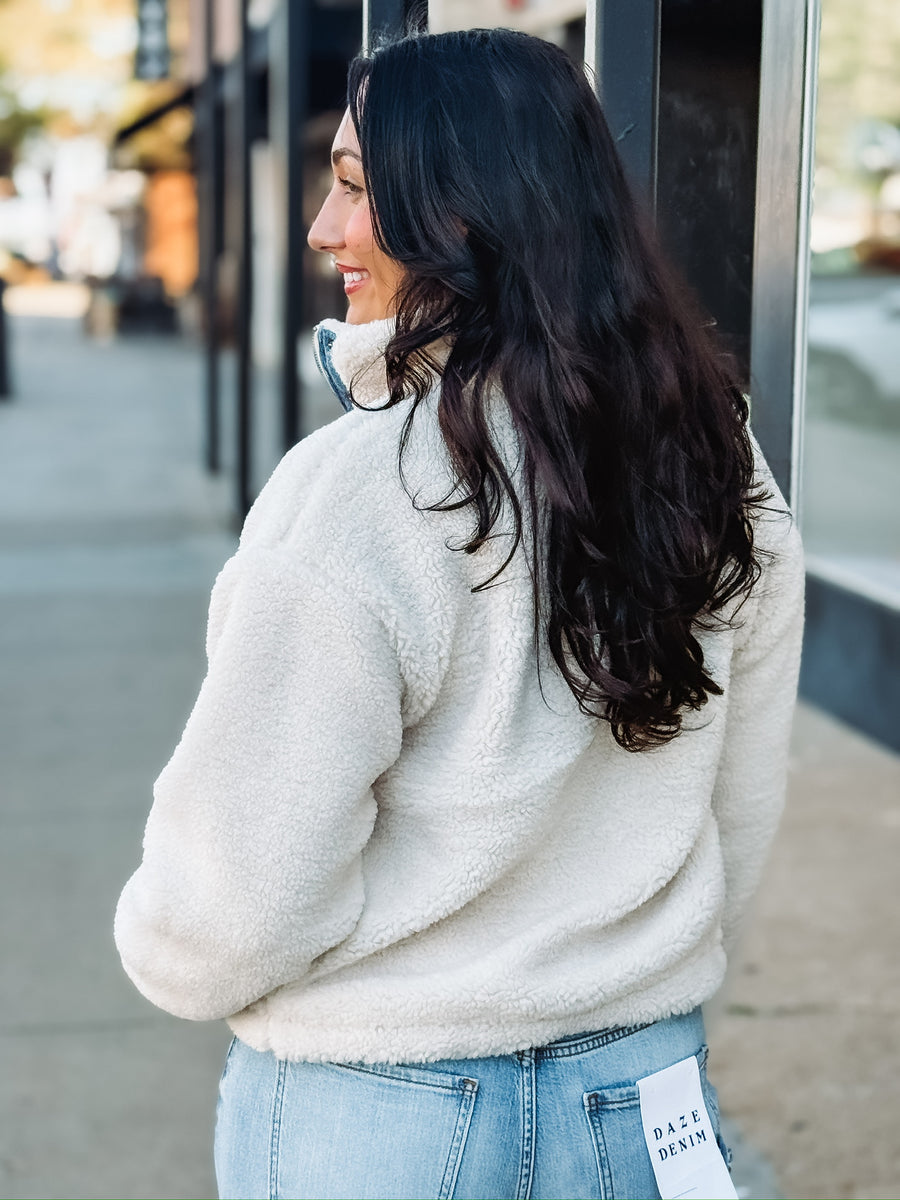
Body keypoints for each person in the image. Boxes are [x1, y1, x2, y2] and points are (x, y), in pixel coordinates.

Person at [114, 27, 804, 1200]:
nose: (325, 232)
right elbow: (735, 810)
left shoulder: (353, 493)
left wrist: (166, 944)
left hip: (376, 1108)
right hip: (640, 1099)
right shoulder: (708, 456)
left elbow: (232, 904)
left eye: (353, 192)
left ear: (467, 213)